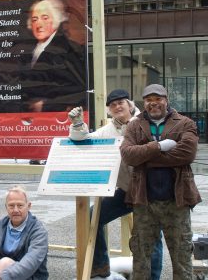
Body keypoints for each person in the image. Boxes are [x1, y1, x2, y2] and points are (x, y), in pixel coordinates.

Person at [68, 89, 163, 279]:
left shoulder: (147, 121)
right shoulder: (108, 130)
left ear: (130, 104)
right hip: (127, 191)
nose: (117, 106)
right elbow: (83, 140)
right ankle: (101, 266)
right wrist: (78, 124)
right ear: (109, 111)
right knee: (92, 216)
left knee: (151, 237)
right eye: (112, 105)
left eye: (121, 102)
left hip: (152, 192)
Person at [120, 84, 201, 280]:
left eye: (158, 98)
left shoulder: (185, 123)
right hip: (144, 201)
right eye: (148, 99)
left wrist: (145, 158)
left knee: (182, 253)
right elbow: (128, 155)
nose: (153, 103)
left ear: (166, 100)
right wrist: (159, 146)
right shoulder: (134, 125)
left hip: (177, 201)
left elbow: (186, 154)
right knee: (140, 254)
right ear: (143, 103)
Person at [19, 0, 86, 112]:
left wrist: (46, 105)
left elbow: (78, 91)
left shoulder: (66, 50)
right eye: (34, 19)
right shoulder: (28, 50)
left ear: (55, 21)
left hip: (54, 120)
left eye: (45, 18)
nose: (39, 24)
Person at [0, 186, 49, 280]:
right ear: (6, 207)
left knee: (5, 263)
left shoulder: (39, 230)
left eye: (20, 205)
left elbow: (30, 263)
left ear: (28, 206)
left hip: (29, 276)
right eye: (11, 206)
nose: (15, 210)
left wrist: (1, 277)